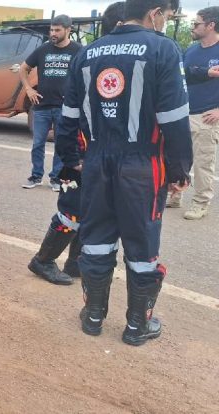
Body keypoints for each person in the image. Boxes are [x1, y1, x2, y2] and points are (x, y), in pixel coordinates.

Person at [56, 0, 192, 346]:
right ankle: (136, 326)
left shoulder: (86, 54)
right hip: (144, 164)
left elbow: (68, 116)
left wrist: (72, 159)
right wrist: (180, 168)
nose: (168, 21)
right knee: (142, 243)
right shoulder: (163, 48)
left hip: (98, 161)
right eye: (168, 15)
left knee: (97, 239)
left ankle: (93, 317)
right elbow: (174, 118)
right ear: (155, 13)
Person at [28, 2, 126, 285]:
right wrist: (71, 157)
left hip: (94, 147)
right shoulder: (90, 57)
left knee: (89, 206)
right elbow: (71, 112)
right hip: (80, 147)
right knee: (72, 207)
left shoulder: (96, 55)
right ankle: (43, 261)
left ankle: (74, 263)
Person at [166, 6, 219, 220]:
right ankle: (177, 193)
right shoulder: (191, 50)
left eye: (196, 24)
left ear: (211, 25)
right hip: (184, 112)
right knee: (179, 159)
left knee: (203, 163)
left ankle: (200, 202)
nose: (192, 27)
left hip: (207, 115)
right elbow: (181, 76)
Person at [20, 15, 82, 191]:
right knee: (37, 143)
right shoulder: (43, 50)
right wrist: (29, 89)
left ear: (68, 30)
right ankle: (36, 176)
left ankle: (56, 178)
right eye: (51, 30)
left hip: (65, 108)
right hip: (42, 106)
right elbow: (24, 68)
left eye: (57, 30)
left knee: (60, 145)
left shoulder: (78, 50)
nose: (53, 33)